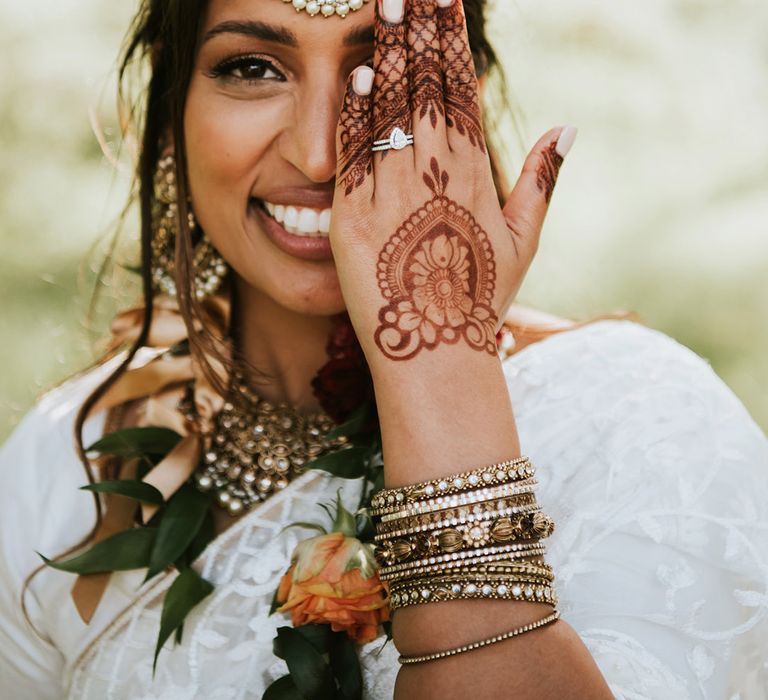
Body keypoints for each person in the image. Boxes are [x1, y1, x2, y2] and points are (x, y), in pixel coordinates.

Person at [1, 0, 766, 698]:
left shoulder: (640, 421)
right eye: (253, 68)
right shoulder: (68, 462)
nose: (318, 156)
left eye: (378, 75)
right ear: (173, 108)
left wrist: (435, 364)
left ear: (466, 103)